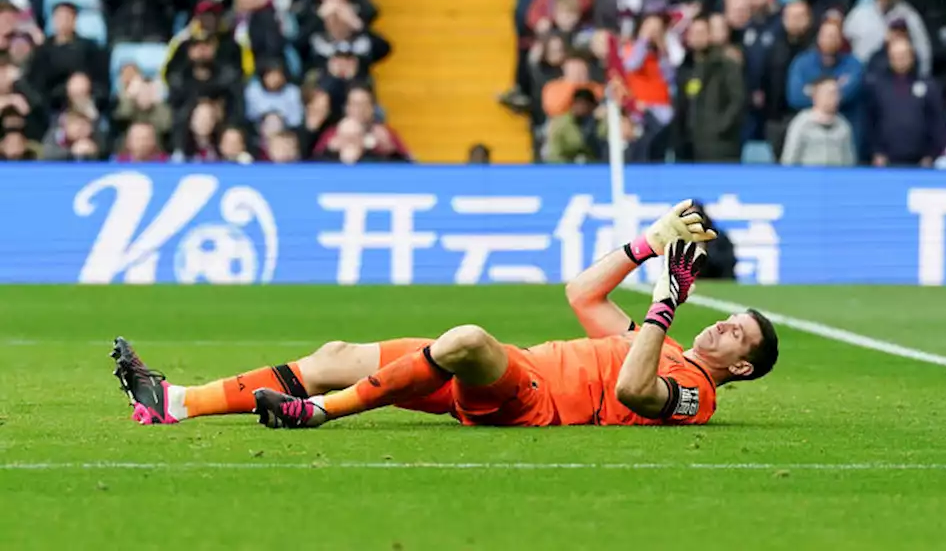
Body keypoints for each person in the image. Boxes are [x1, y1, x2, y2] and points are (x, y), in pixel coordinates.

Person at [112, 202, 779, 428]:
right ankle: (175, 401)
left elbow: (636, 390)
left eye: (735, 334)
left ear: (742, 365)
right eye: (730, 318)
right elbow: (582, 295)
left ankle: (321, 414)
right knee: (337, 353)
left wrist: (666, 301)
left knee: (464, 339)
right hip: (512, 369)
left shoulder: (697, 394)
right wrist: (648, 243)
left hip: (530, 399)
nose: (722, 326)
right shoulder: (648, 342)